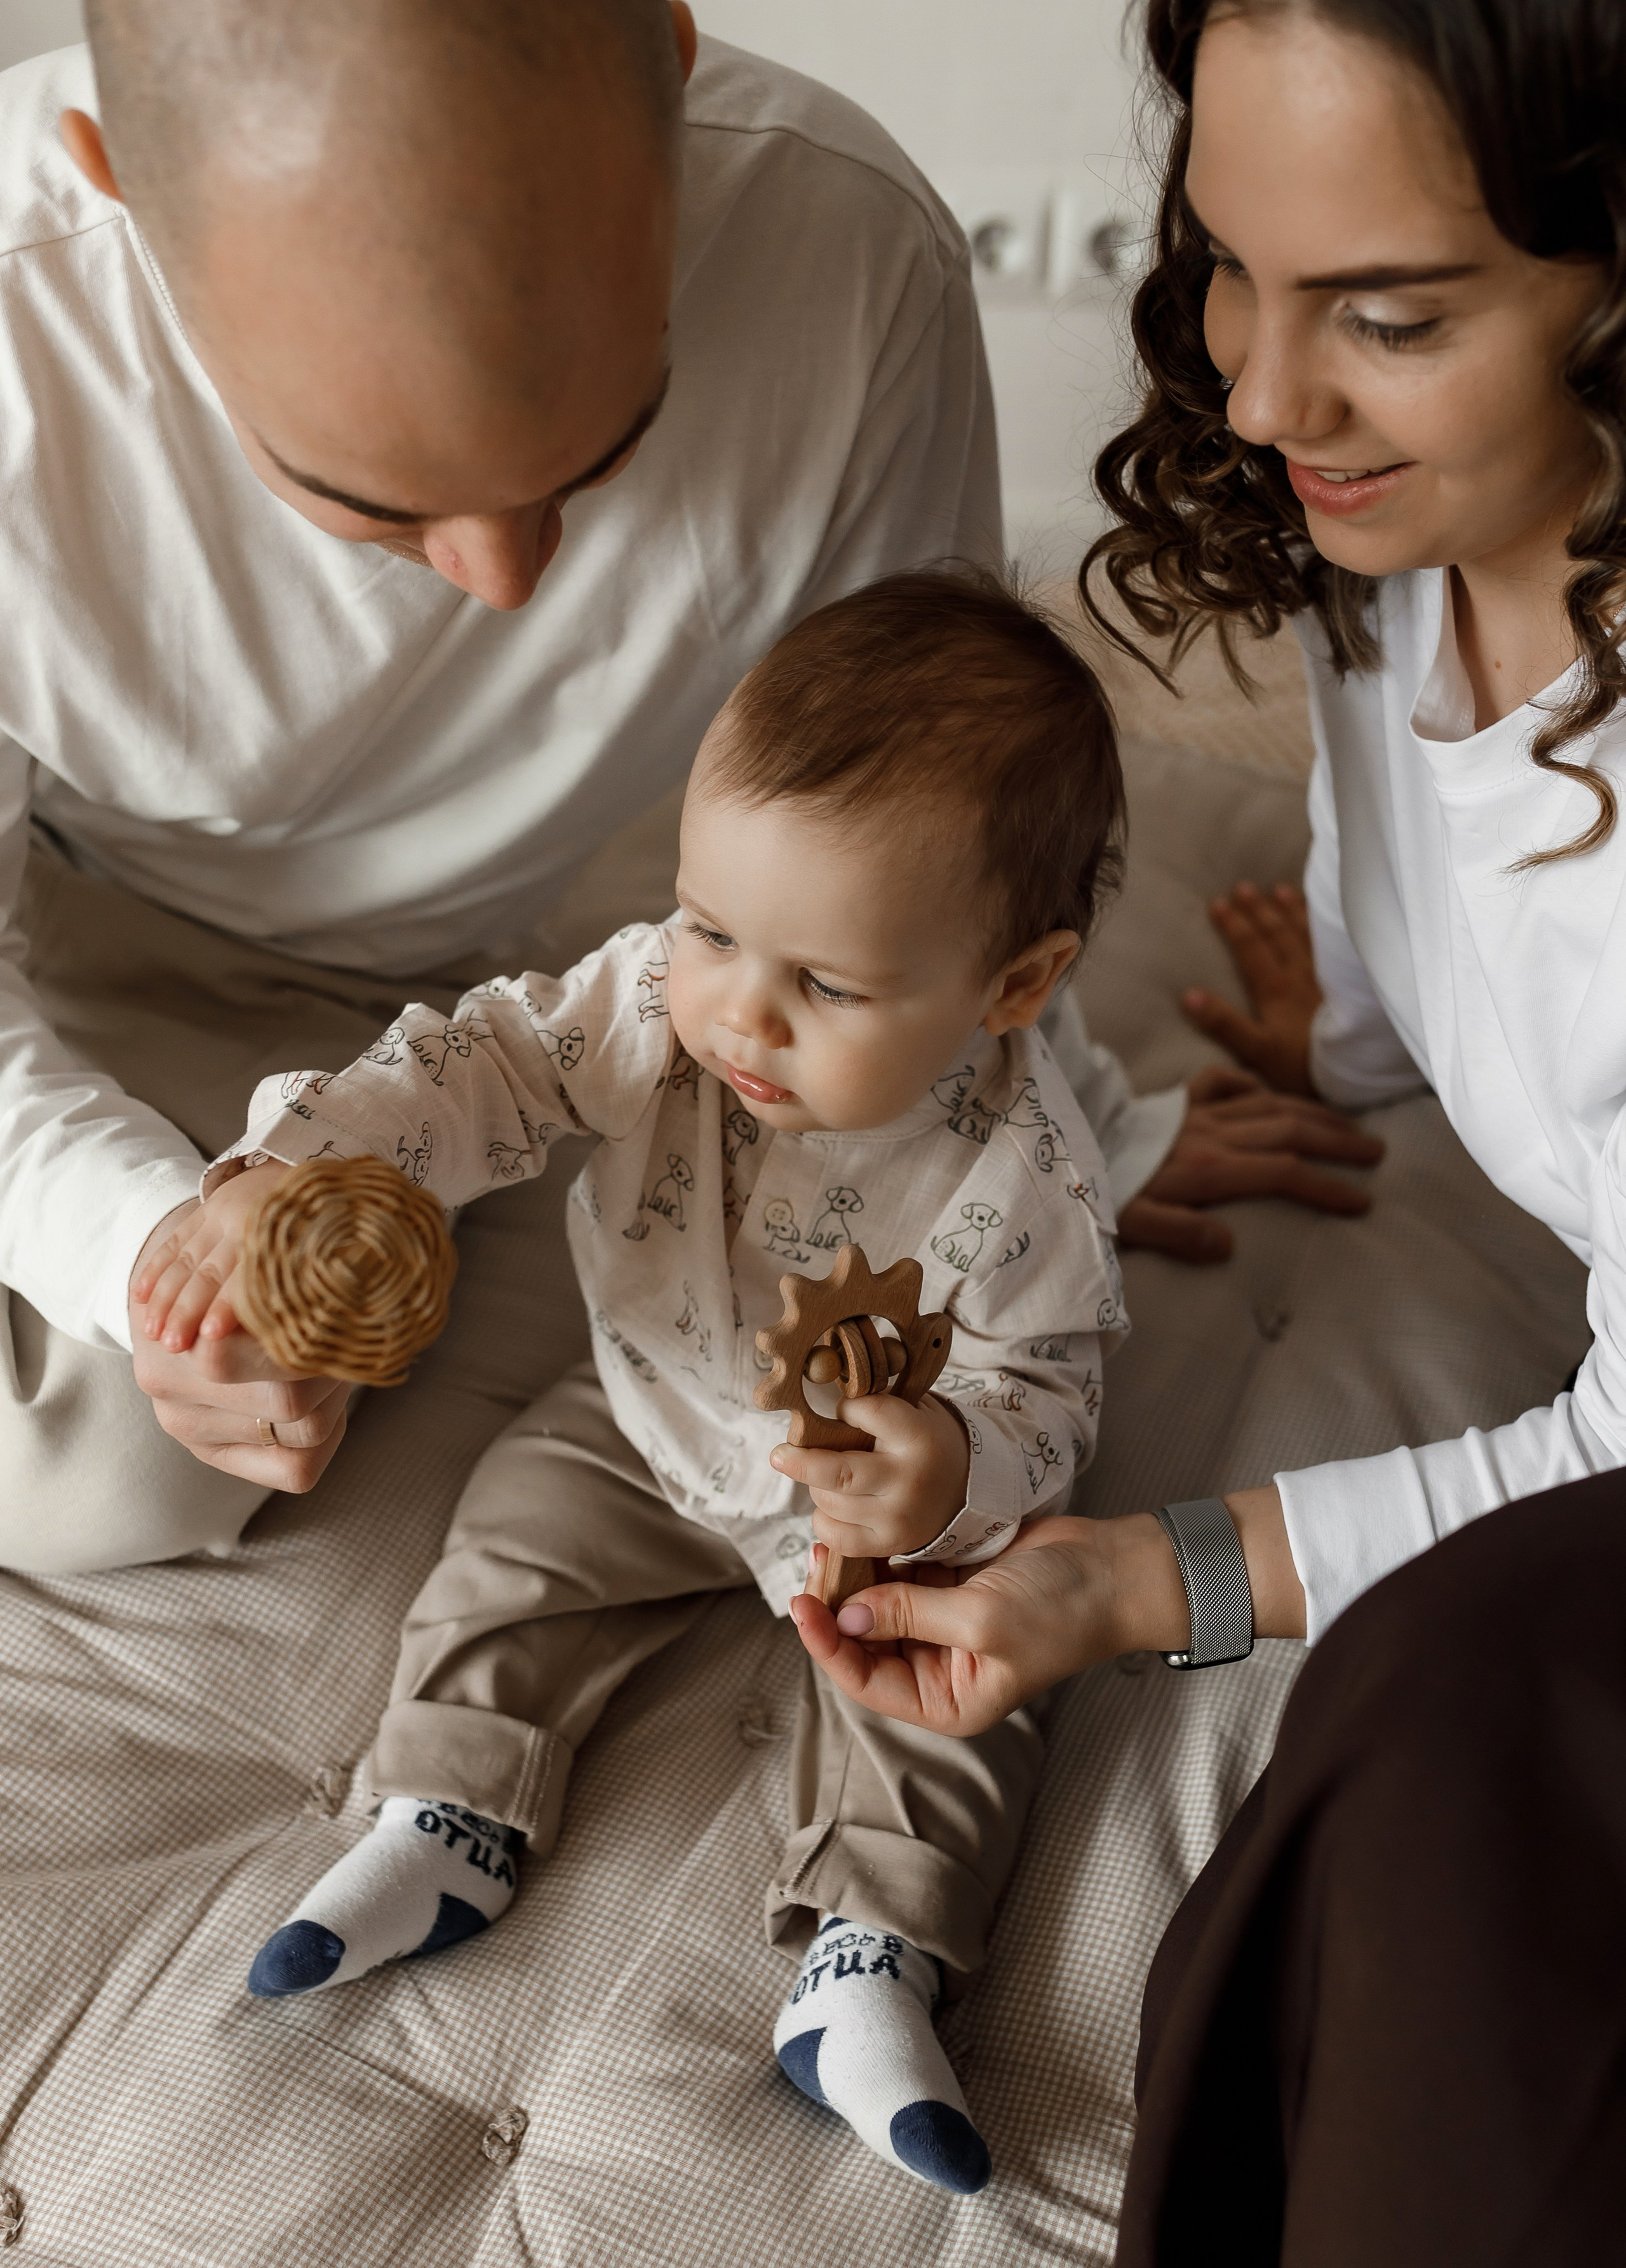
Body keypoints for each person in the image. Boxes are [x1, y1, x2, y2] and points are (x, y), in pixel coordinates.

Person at [0, 0, 1379, 1576]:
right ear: (120, 186)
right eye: (366, 501)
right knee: (117, 1473)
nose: (507, 584)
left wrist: (1076, 1123)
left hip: (553, 958)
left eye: (607, 446)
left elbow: (929, 817)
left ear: (672, 68)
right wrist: (146, 1250)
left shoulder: (848, 264)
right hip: (75, 926)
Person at [786, 0, 1626, 2249]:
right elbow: (1417, 878)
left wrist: (1122, 1580)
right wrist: (1339, 1029)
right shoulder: (1406, 551)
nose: (1257, 395)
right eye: (1234, 263)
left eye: (1392, 314)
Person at [137, 570, 1134, 2196]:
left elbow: (1051, 1386)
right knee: (510, 1539)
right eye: (711, 926)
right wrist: (288, 1165)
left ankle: (869, 1960)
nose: (739, 1006)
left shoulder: (1022, 1178)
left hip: (879, 1520)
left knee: (967, 1698)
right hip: (653, 1414)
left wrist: (954, 1467)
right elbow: (480, 1066)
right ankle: (444, 1814)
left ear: (1009, 987)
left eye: (824, 984)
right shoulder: (654, 1013)